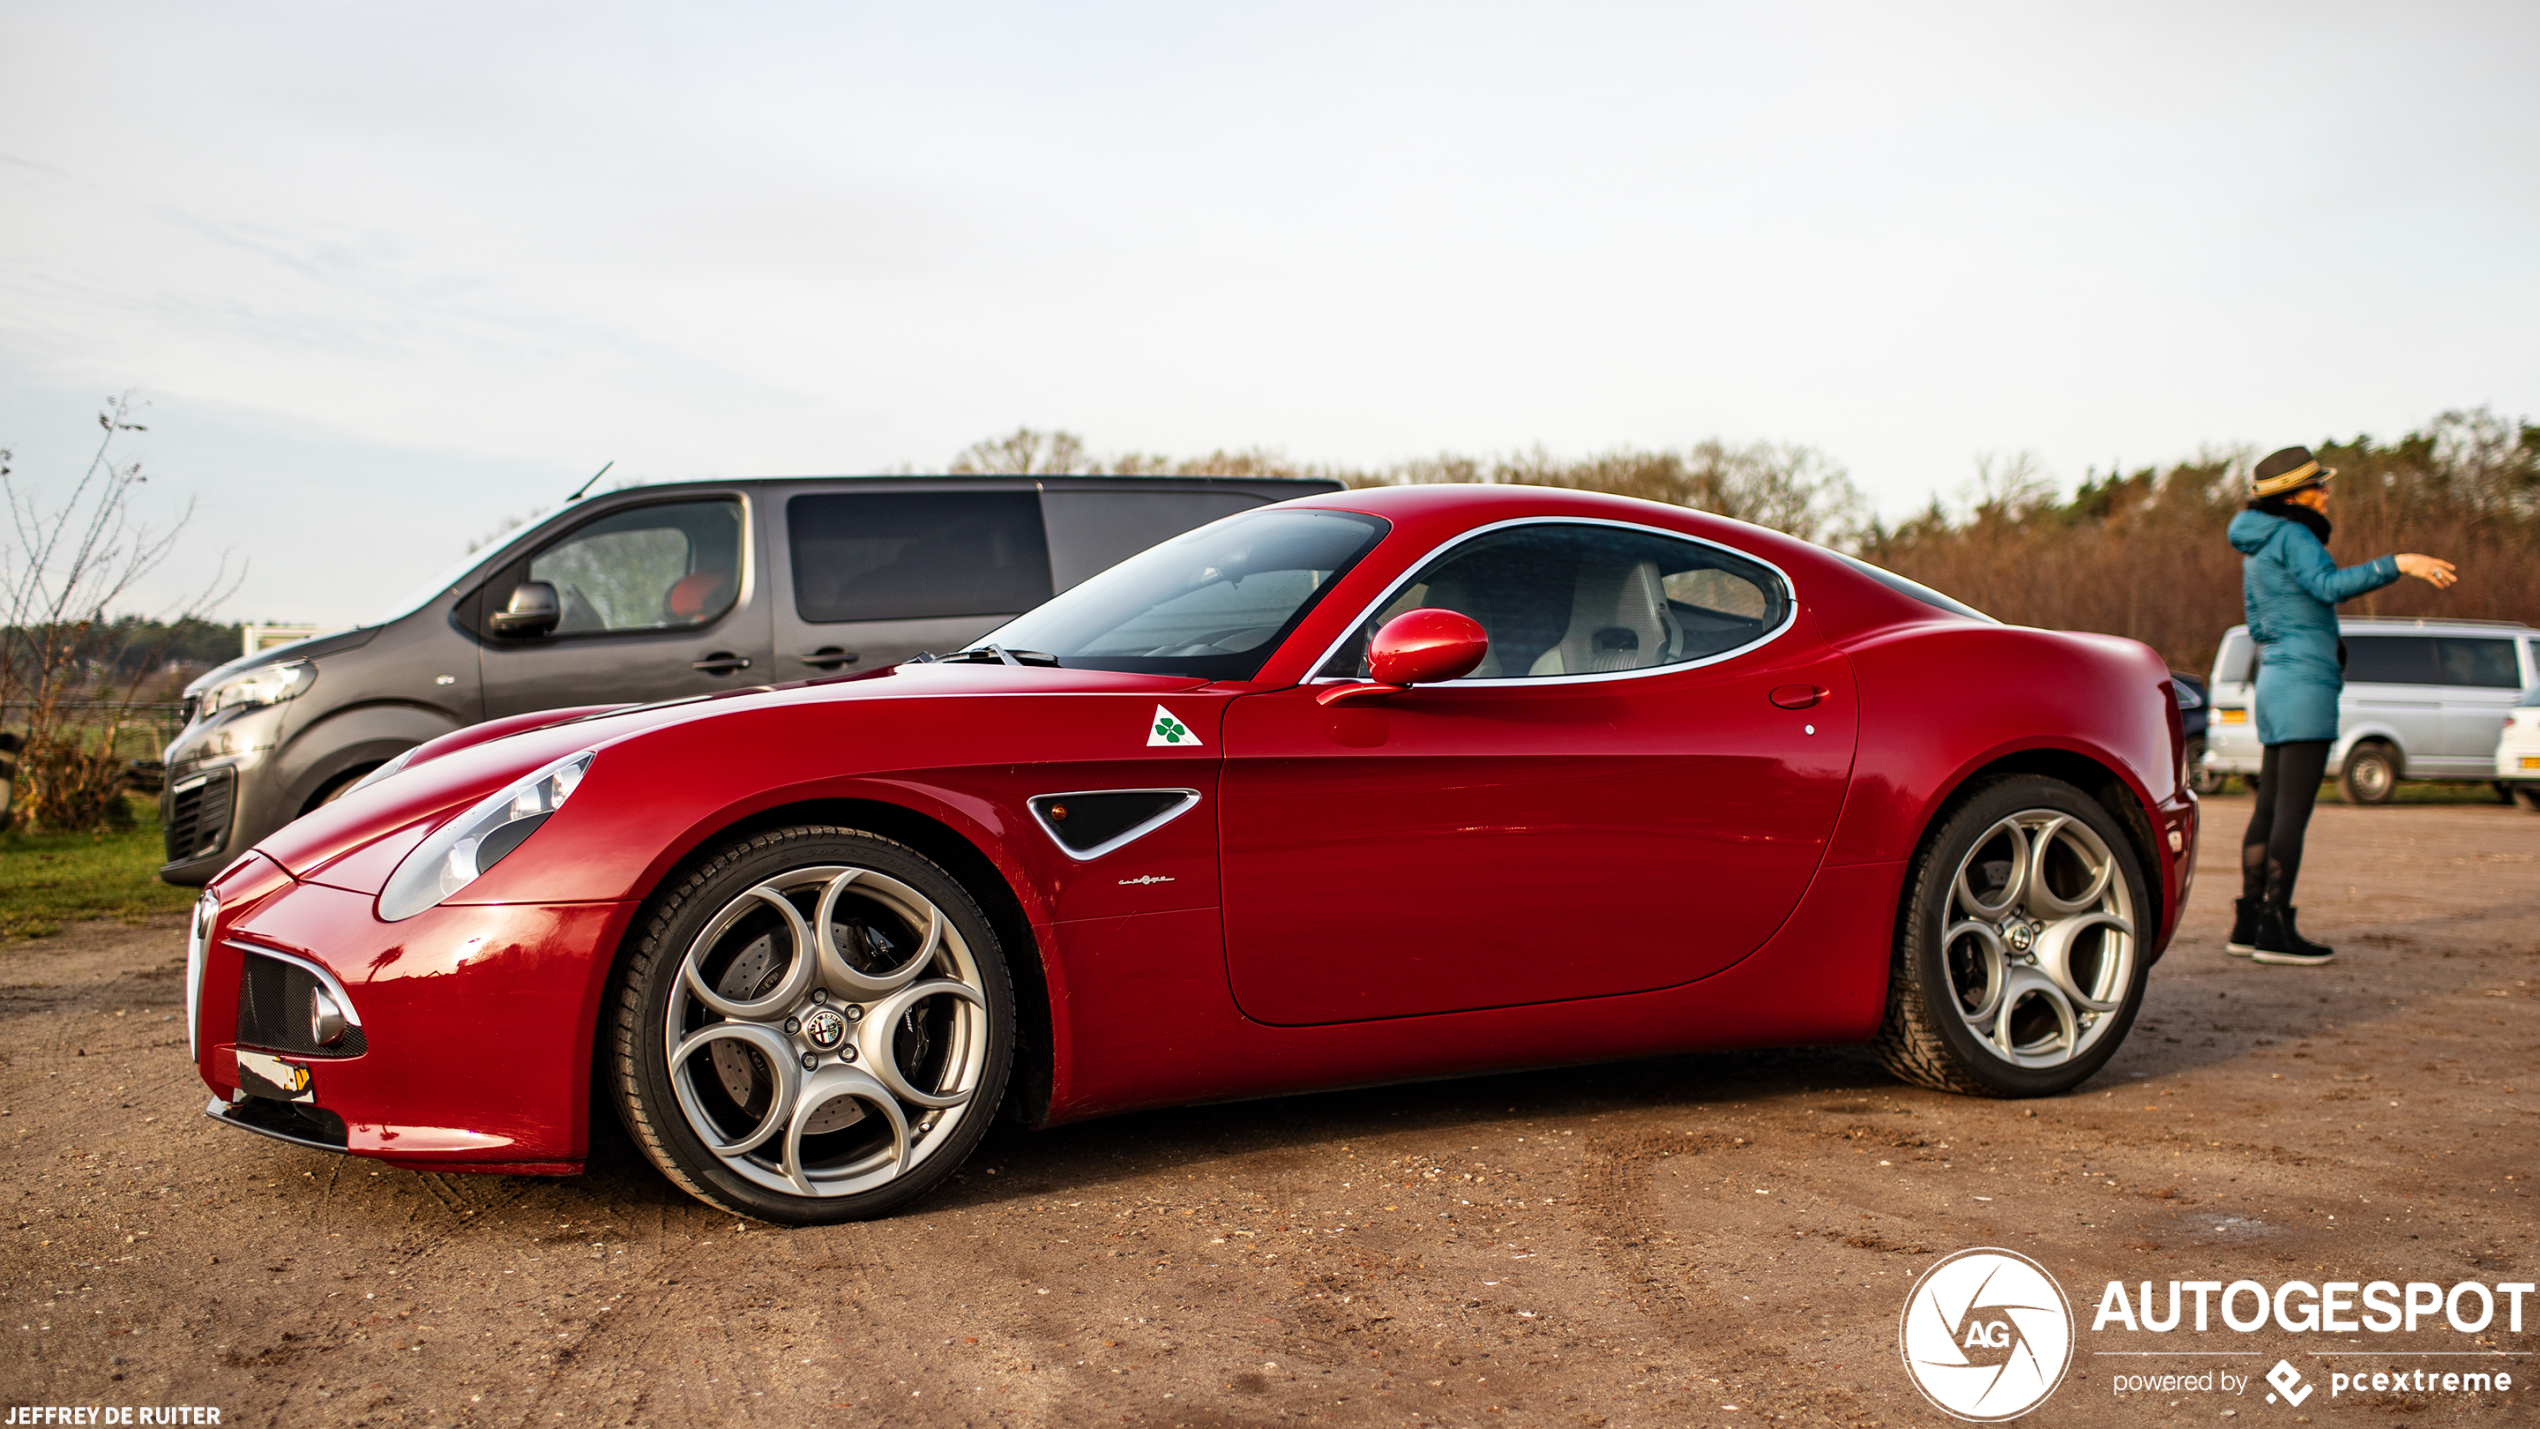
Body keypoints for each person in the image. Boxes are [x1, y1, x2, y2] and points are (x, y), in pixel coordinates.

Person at [2225, 446, 2457, 965]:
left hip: (2273, 677)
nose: (2328, 494)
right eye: (2319, 487)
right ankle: (2276, 930)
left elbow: (2261, 619)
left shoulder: (2257, 544)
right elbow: (2328, 585)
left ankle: (2248, 924)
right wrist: (2401, 563)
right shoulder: (2295, 535)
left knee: (2268, 807)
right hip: (2305, 682)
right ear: (2292, 496)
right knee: (2292, 812)